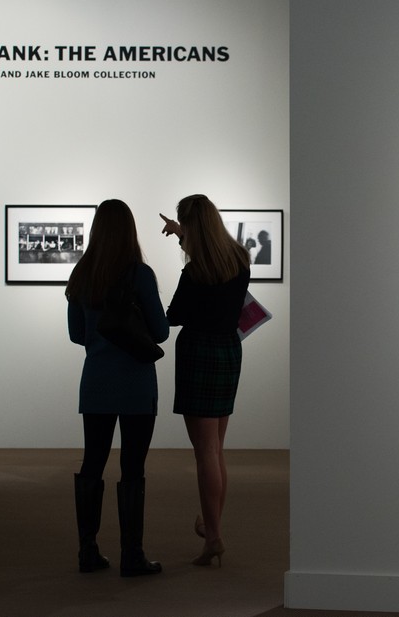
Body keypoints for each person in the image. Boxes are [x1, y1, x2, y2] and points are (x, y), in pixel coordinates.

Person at [66, 199, 169, 577]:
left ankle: (87, 551)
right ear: (130, 230)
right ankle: (132, 555)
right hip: (137, 381)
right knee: (132, 465)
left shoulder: (82, 274)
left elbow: (78, 334)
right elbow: (159, 331)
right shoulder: (139, 274)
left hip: (96, 380)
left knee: (92, 461)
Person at [160, 195, 251, 567]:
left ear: (193, 225)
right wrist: (184, 237)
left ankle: (213, 535)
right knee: (217, 448)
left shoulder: (194, 273)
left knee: (204, 454)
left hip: (198, 352)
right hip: (229, 350)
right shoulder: (240, 260)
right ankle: (211, 524)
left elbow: (174, 315)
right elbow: (210, 259)